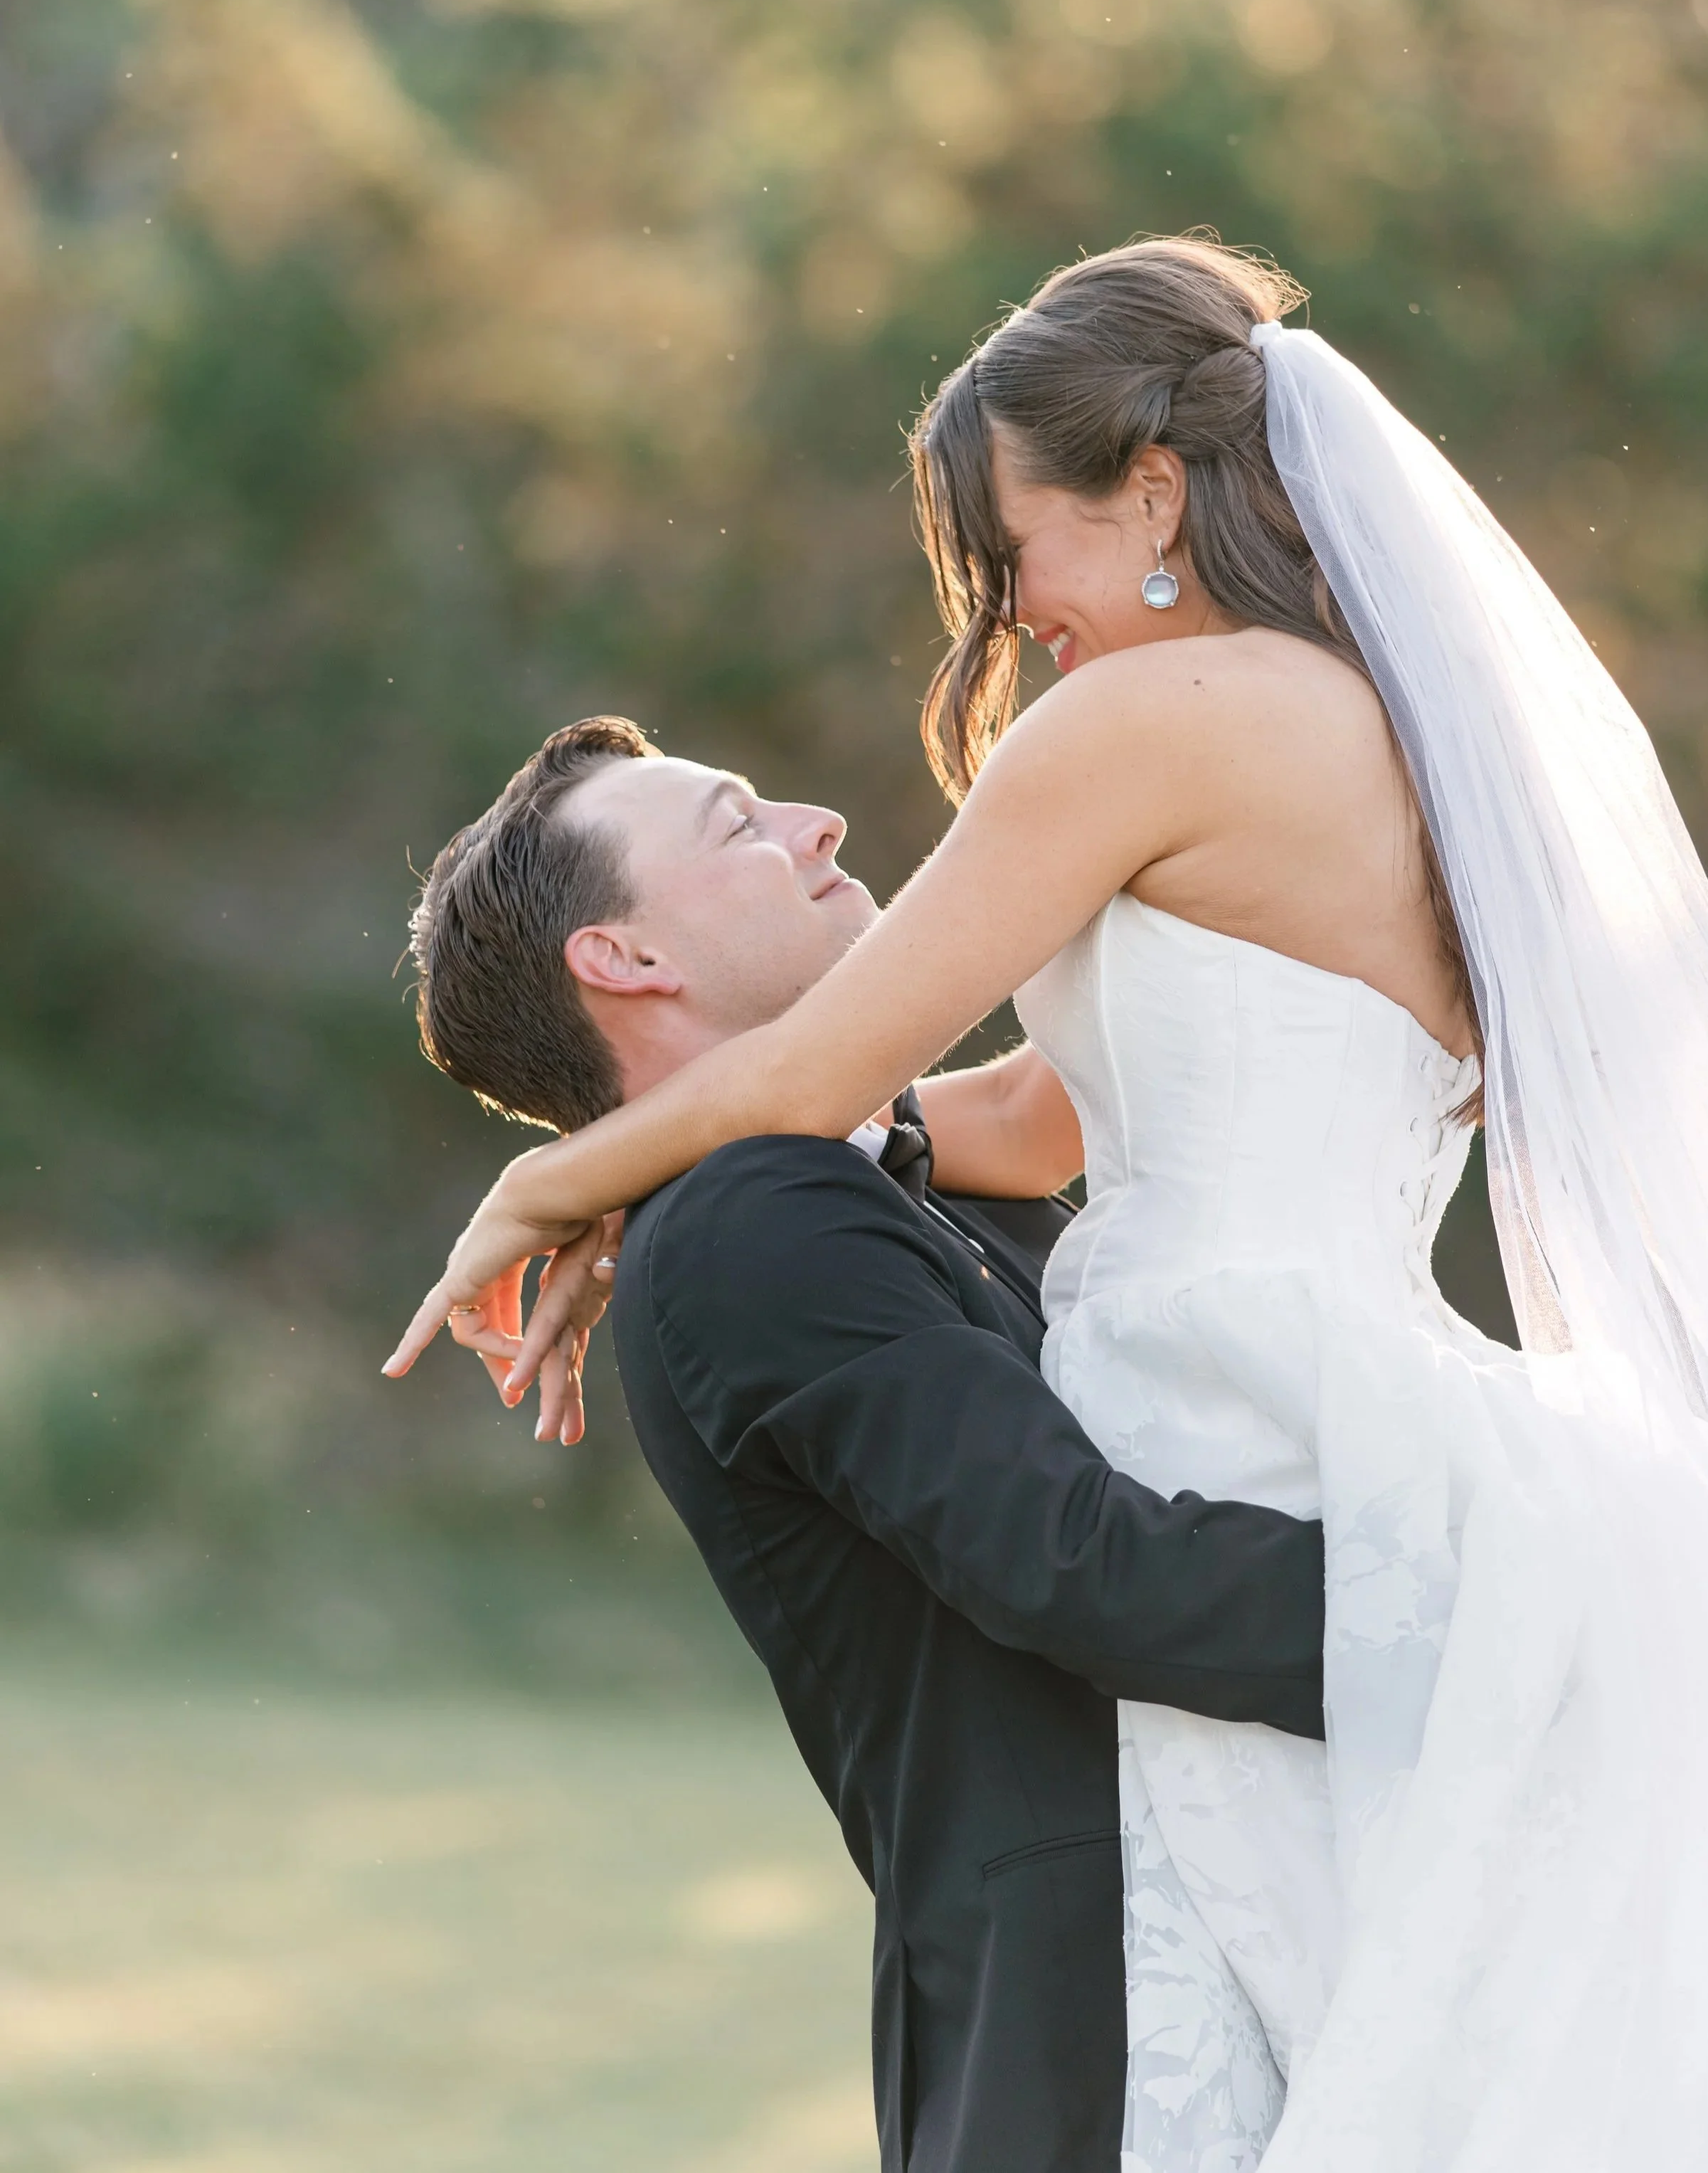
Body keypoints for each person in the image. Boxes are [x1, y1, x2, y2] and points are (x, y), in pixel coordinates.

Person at [390, 236, 1708, 2168]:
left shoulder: (1136, 730)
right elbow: (1037, 1115)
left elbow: (808, 1084)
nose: (1009, 613)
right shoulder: (1384, 743)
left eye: (1008, 549)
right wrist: (688, 1176)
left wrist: (548, 1181)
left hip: (1242, 1398)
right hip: (1377, 1396)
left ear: (1145, 490)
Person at [399, 716, 1329, 2173]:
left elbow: (1046, 1108)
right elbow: (1075, 1568)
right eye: (735, 823)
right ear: (627, 961)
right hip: (1104, 2036)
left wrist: (575, 1167)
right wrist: (1490, 1616)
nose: (817, 820)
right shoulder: (748, 1228)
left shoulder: (883, 1176)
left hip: (1231, 1935)